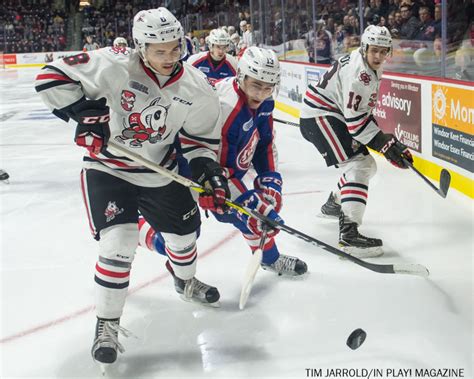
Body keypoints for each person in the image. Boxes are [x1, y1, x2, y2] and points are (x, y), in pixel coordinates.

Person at [35, 7, 229, 366]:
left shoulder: (197, 87)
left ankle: (185, 282)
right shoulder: (115, 62)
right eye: (160, 51)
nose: (170, 58)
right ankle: (107, 325)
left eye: (175, 48)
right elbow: (50, 78)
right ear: (141, 46)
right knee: (119, 242)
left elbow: (201, 142)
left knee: (185, 237)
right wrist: (85, 114)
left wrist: (209, 174)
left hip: (159, 171)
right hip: (108, 168)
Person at [139, 46, 308, 278]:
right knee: (184, 236)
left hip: (219, 169)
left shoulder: (265, 101)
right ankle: (137, 231)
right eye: (256, 85)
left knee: (253, 215)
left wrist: (270, 180)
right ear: (242, 77)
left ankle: (270, 259)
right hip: (189, 169)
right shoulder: (227, 107)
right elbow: (217, 164)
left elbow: (265, 142)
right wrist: (248, 201)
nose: (260, 94)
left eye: (268, 87)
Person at [299, 25, 413, 258]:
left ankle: (334, 204)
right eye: (375, 51)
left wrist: (386, 143)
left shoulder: (366, 64)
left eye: (384, 51)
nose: (379, 56)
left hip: (329, 114)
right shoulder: (359, 74)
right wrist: (385, 145)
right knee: (360, 165)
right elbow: (355, 125)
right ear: (364, 48)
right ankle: (349, 235)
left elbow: (361, 115)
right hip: (320, 116)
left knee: (365, 165)